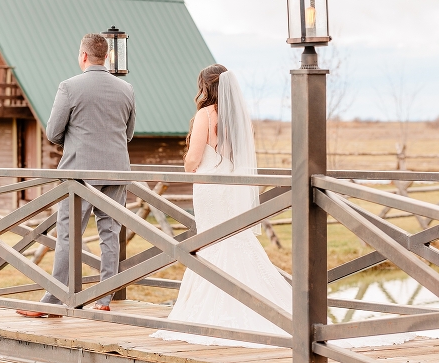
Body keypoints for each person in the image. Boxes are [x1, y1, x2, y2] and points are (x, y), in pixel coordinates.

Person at [151, 64, 292, 347]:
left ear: (206, 87)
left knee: (211, 242)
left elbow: (192, 162)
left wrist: (189, 162)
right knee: (233, 239)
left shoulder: (205, 115)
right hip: (230, 188)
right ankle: (270, 310)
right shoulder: (240, 120)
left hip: (210, 190)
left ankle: (212, 311)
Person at [17, 33, 136, 317]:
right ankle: (104, 298)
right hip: (117, 171)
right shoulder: (126, 88)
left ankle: (55, 302)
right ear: (106, 56)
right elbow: (128, 134)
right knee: (110, 234)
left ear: (83, 56)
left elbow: (53, 132)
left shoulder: (69, 87)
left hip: (79, 174)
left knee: (68, 236)